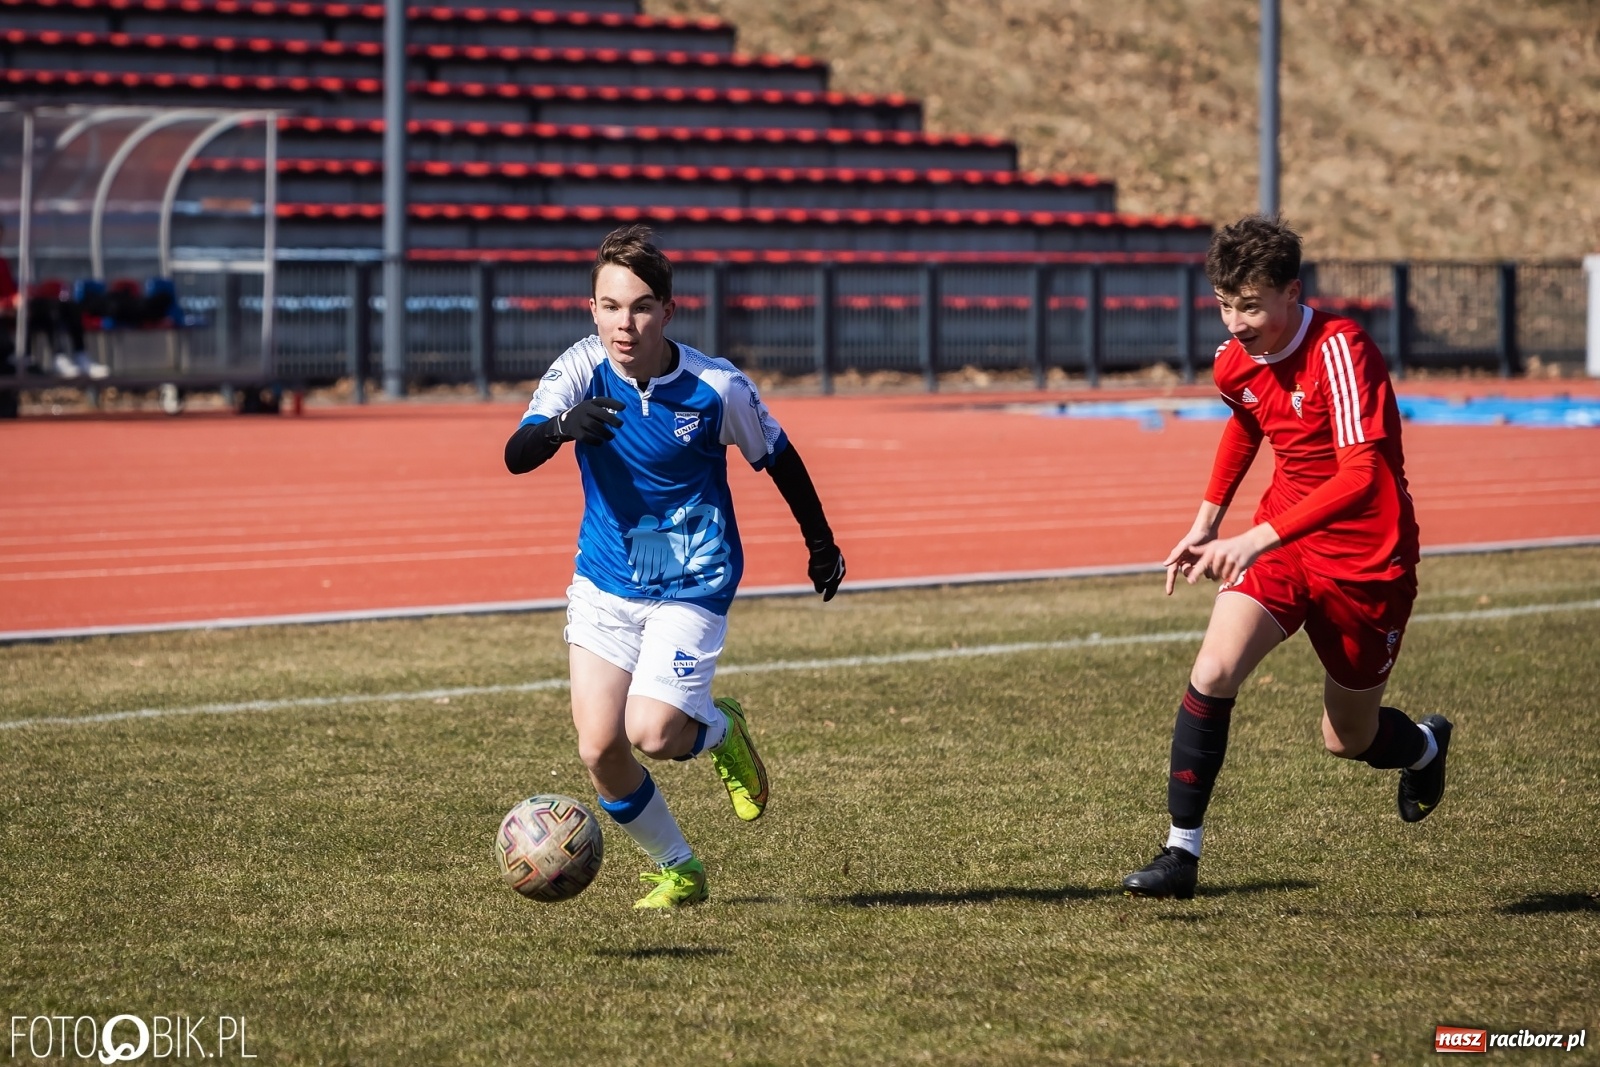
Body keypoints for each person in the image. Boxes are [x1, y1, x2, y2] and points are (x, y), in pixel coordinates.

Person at [504, 224, 846, 909]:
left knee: (653, 732)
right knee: (600, 748)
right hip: (607, 579)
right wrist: (561, 426)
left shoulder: (716, 386)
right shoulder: (579, 368)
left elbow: (779, 457)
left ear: (667, 309)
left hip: (693, 577)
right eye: (609, 305)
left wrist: (820, 543)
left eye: (638, 306)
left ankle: (720, 729)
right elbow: (517, 452)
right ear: (591, 308)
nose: (622, 323)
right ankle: (680, 868)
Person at [1122, 214, 1452, 900]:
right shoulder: (1232, 360)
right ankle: (1181, 853)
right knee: (1212, 670)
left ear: (1291, 292)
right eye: (1223, 303)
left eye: (1249, 305)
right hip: (1284, 544)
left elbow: (1362, 476)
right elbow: (1246, 420)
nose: (1235, 321)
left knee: (1348, 737)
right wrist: (1207, 522)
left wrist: (1252, 537)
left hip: (1369, 562)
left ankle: (1423, 746)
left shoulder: (1342, 347)